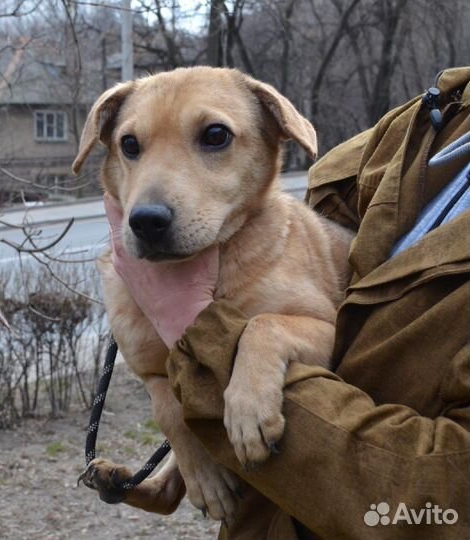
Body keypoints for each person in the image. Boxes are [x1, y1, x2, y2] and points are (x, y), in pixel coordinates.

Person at [104, 67, 470, 540]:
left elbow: (449, 501)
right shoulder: (430, 116)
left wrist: (203, 329)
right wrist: (180, 430)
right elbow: (156, 370)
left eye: (214, 136)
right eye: (132, 145)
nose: (149, 203)